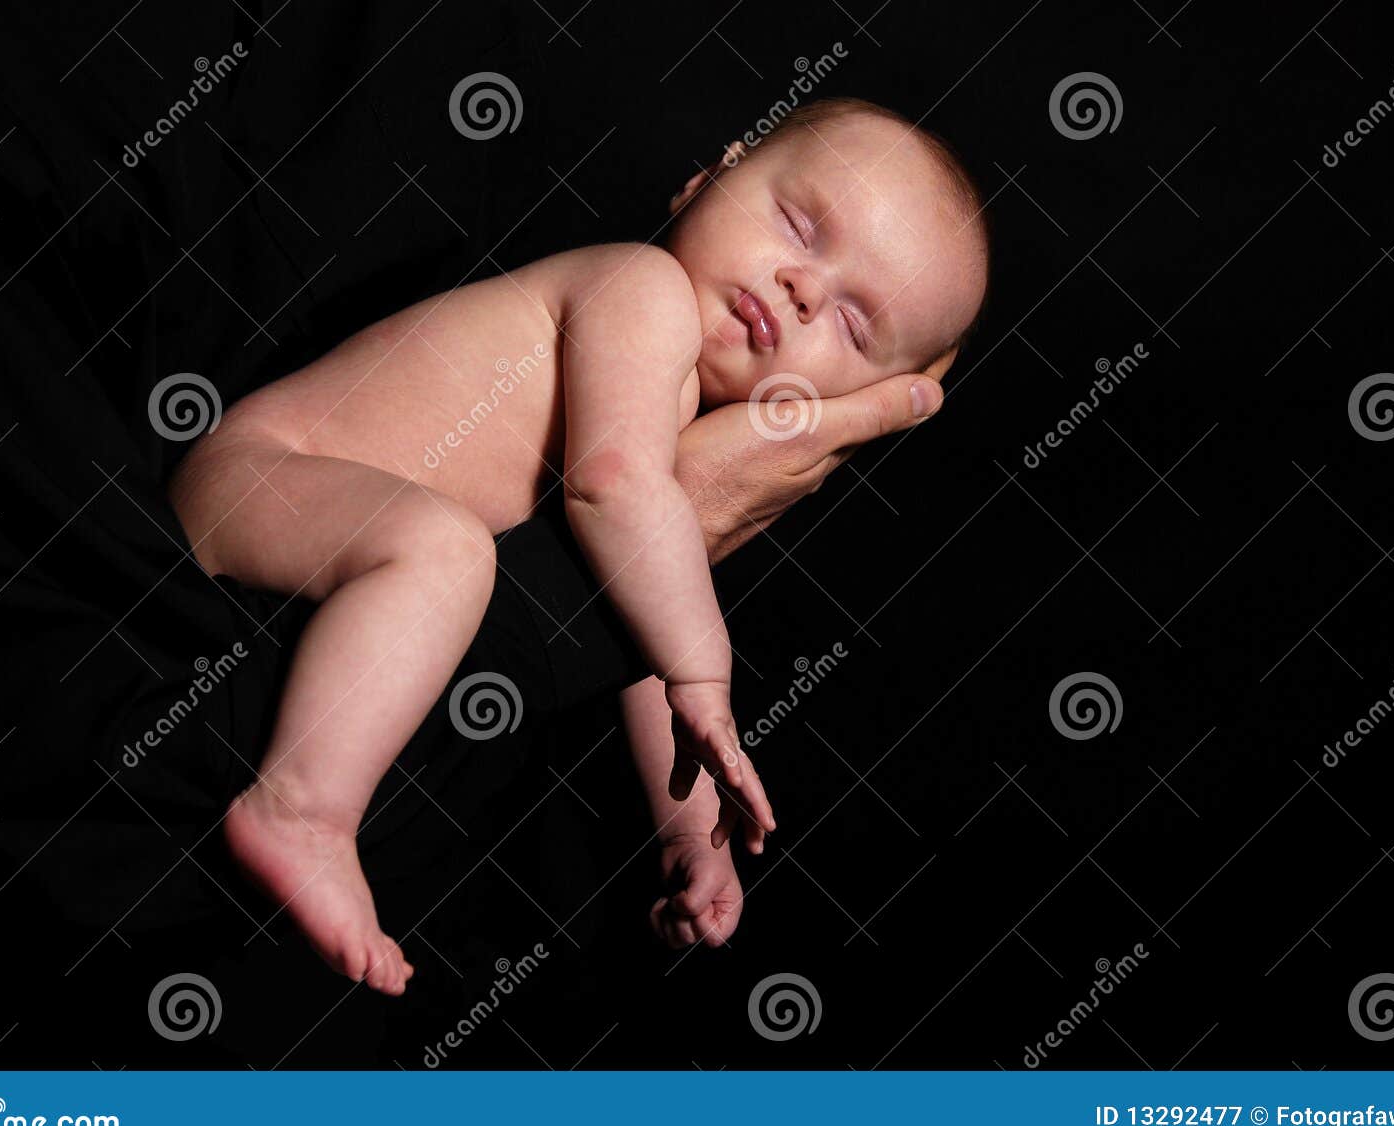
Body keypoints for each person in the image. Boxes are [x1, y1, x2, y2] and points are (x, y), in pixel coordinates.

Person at [169, 97, 989, 991]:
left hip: (305, 558)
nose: (802, 288)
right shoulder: (641, 290)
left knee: (464, 562)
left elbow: (629, 617)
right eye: (797, 223)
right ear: (707, 178)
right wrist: (703, 663)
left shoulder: (666, 434)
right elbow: (615, 488)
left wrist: (689, 828)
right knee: (447, 550)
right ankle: (297, 810)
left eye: (853, 325)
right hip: (255, 478)